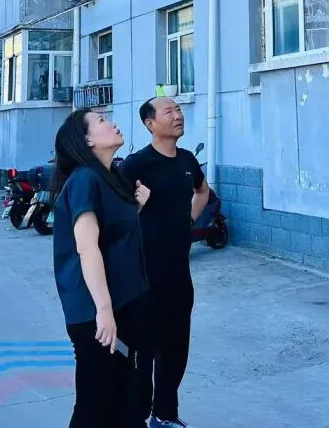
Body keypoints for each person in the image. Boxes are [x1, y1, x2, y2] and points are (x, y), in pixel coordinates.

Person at [51, 108, 152, 428]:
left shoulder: (112, 177)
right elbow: (87, 247)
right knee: (96, 404)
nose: (113, 124)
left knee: (129, 396)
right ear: (87, 140)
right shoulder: (84, 180)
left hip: (127, 304)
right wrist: (104, 311)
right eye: (102, 121)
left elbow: (113, 236)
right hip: (97, 314)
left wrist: (137, 206)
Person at [121, 97, 210, 428]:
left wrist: (187, 220)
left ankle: (165, 415)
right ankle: (136, 418)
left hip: (179, 275)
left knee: (175, 351)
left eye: (179, 109)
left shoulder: (187, 160)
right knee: (143, 355)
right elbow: (115, 209)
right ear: (150, 124)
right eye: (169, 111)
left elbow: (203, 191)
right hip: (144, 277)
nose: (178, 115)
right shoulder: (137, 164)